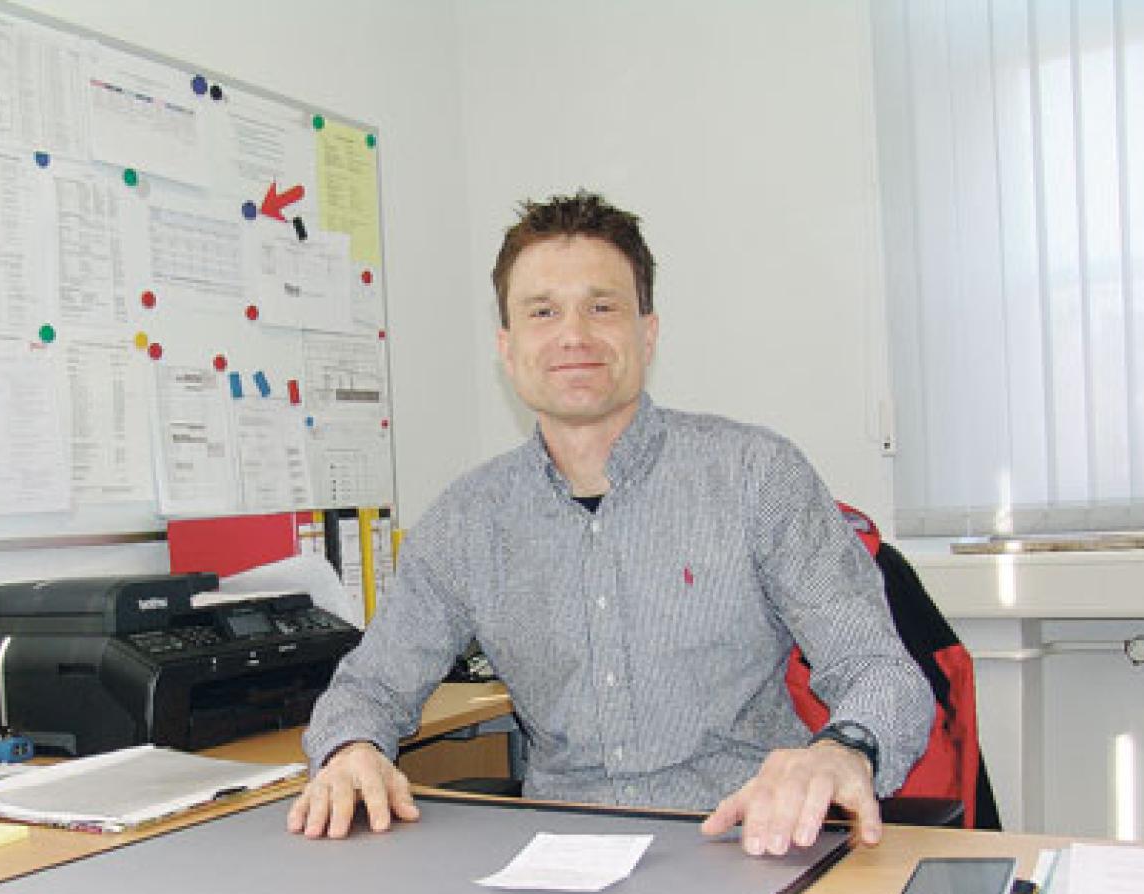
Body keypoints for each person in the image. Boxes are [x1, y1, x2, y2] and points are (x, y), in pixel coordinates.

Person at [287, 190, 933, 855]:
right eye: (542, 312)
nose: (573, 335)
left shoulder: (755, 475)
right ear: (507, 347)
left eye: (602, 307)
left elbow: (881, 671)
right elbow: (369, 685)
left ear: (647, 333)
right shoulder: (465, 522)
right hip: (559, 858)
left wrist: (842, 749)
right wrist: (352, 748)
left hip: (747, 840)